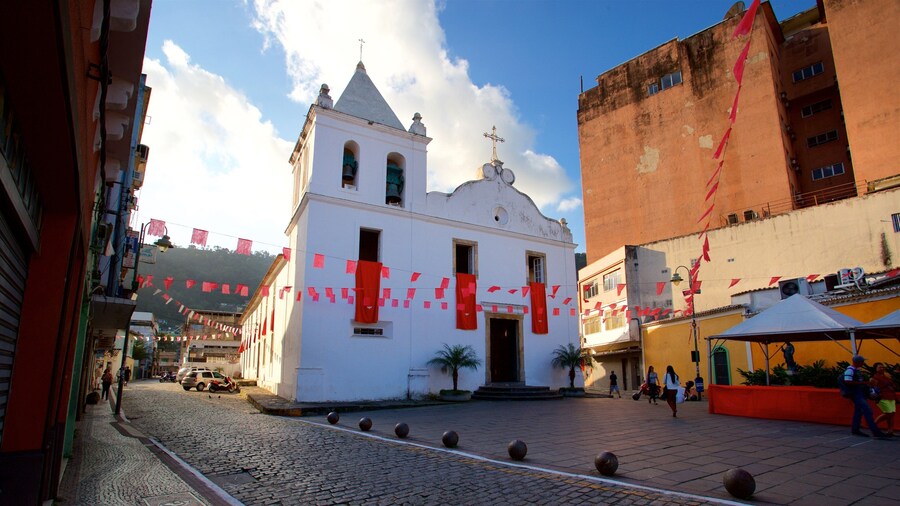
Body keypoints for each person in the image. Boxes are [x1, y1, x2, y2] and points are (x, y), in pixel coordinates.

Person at [843, 355, 889, 439]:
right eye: (862, 361)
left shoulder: (856, 370)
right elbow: (847, 381)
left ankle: (855, 429)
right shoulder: (850, 370)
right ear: (857, 362)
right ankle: (876, 432)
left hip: (859, 393)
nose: (863, 363)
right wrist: (862, 383)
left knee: (858, 412)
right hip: (856, 394)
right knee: (868, 411)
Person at [870, 362, 896, 436]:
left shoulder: (886, 376)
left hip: (891, 396)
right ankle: (873, 425)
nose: (882, 368)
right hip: (882, 397)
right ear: (875, 369)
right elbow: (873, 388)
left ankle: (890, 431)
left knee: (892, 414)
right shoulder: (874, 377)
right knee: (888, 413)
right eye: (880, 367)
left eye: (883, 367)